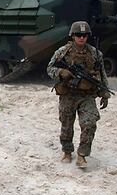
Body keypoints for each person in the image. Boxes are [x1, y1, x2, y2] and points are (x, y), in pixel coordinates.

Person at [46, 21, 111, 169]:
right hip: (68, 94)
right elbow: (50, 68)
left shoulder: (95, 53)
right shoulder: (63, 52)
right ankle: (67, 151)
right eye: (78, 35)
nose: (81, 38)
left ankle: (82, 155)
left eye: (84, 35)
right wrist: (61, 73)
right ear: (72, 35)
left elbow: (102, 74)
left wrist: (104, 92)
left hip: (87, 95)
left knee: (89, 123)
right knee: (66, 125)